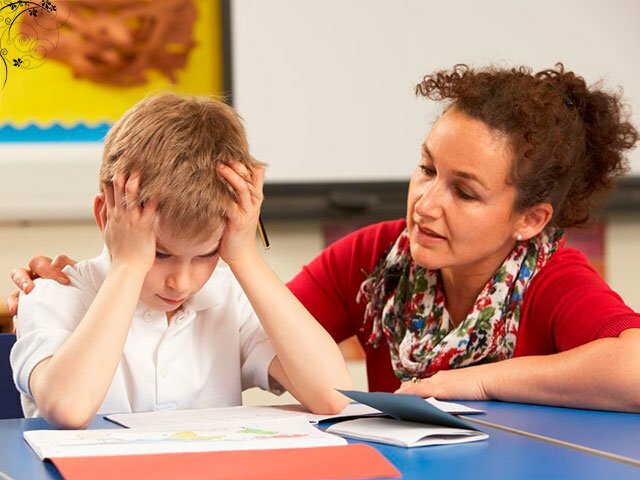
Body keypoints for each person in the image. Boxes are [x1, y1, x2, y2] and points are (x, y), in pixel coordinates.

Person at [9, 64, 640, 412]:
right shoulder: (376, 258)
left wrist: (482, 379)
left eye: (465, 191)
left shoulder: (552, 277)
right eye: (425, 169)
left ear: (530, 218)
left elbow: (633, 369)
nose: (426, 202)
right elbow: (291, 340)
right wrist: (122, 270)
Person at [8, 93, 352, 429]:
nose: (181, 282)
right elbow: (68, 408)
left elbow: (335, 396)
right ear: (106, 216)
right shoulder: (52, 293)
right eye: (160, 254)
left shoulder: (230, 299)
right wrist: (129, 266)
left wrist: (245, 256)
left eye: (206, 254)